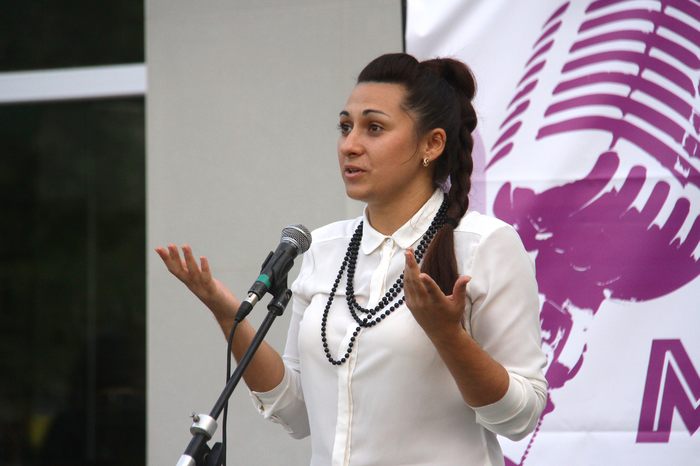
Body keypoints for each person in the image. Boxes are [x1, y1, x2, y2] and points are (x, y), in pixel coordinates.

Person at [156, 53, 547, 466]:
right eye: (345, 127)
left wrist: (448, 335)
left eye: (374, 128)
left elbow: (519, 418)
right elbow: (297, 411)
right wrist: (226, 315)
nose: (350, 145)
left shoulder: (485, 245)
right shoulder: (323, 248)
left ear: (431, 144)